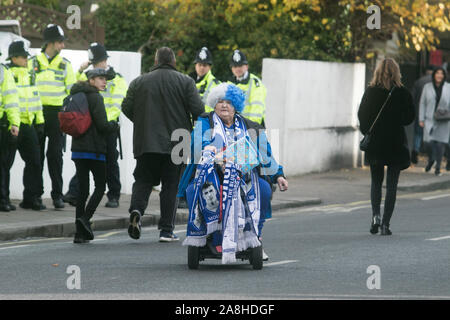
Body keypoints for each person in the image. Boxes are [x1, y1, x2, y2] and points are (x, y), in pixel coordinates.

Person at [178, 83, 288, 263]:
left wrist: (279, 175)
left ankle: (254, 236)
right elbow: (197, 142)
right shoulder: (205, 122)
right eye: (220, 101)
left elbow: (265, 153)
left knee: (264, 190)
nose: (224, 105)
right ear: (214, 104)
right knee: (193, 192)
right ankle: (210, 236)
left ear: (235, 106)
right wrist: (208, 149)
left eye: (228, 102)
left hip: (244, 177)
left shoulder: (250, 126)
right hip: (210, 175)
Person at [121, 47, 204, 242]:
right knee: (171, 185)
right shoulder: (186, 82)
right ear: (174, 62)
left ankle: (136, 210)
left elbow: (126, 107)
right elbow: (199, 110)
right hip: (179, 141)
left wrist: (142, 123)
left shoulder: (139, 82)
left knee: (142, 180)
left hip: (146, 140)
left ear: (156, 61)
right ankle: (166, 230)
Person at [63, 43, 127, 208]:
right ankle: (74, 192)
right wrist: (78, 71)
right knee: (87, 159)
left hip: (107, 125)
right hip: (92, 125)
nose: (97, 65)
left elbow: (117, 104)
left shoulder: (116, 78)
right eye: (93, 62)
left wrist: (105, 122)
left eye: (98, 61)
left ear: (104, 61)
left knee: (111, 160)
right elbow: (72, 89)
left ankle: (113, 195)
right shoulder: (87, 77)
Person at [358, 58, 415, 236]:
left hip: (376, 144)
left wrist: (368, 131)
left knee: (376, 182)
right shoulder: (403, 92)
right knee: (392, 185)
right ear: (397, 72)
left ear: (377, 71)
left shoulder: (371, 91)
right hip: (395, 143)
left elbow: (362, 115)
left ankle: (375, 216)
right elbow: (409, 118)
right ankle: (385, 224)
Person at [28, 24, 76, 209]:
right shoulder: (33, 62)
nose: (62, 45)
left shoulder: (65, 65)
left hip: (57, 115)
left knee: (55, 156)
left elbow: (71, 92)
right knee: (36, 156)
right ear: (50, 42)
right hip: (37, 115)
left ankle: (57, 196)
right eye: (60, 42)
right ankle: (36, 195)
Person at [70, 68, 119, 244]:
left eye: (105, 79)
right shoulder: (96, 97)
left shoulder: (77, 95)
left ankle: (78, 233)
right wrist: (114, 125)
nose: (104, 82)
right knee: (100, 186)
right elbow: (102, 125)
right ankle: (85, 219)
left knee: (82, 191)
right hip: (95, 150)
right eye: (100, 78)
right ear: (91, 80)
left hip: (77, 149)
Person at [7, 40, 46, 211]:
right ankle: (3, 199)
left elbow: (36, 98)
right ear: (14, 57)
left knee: (35, 162)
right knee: (5, 163)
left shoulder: (30, 73)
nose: (26, 59)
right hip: (12, 124)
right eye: (23, 57)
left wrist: (40, 120)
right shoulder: (6, 72)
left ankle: (31, 198)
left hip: (29, 123)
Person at [419, 66, 450, 176]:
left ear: (444, 76)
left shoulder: (448, 87)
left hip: (444, 119)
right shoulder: (427, 87)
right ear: (434, 75)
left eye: (442, 74)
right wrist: (421, 118)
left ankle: (438, 167)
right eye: (437, 73)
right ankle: (431, 159)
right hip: (429, 119)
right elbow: (422, 103)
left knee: (440, 144)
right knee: (428, 143)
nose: (439, 75)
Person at [0, 54, 21, 212]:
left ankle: (3, 199)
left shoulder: (3, 71)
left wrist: (14, 122)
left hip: (1, 123)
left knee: (2, 164)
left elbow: (11, 99)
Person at [228, 50, 267, 127]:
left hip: (252, 127)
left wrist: (251, 127)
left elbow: (257, 108)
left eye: (240, 66)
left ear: (246, 66)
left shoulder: (255, 83)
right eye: (235, 66)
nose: (237, 69)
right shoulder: (230, 83)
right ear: (231, 68)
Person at [410, 65, 433, 164]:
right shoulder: (436, 82)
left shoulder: (418, 82)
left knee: (418, 134)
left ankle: (415, 151)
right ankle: (431, 155)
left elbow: (412, 97)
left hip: (419, 112)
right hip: (431, 113)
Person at [190, 47, 221, 112]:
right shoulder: (188, 82)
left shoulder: (216, 85)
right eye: (200, 65)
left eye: (204, 65)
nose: (202, 68)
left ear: (210, 67)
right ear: (195, 66)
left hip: (207, 121)